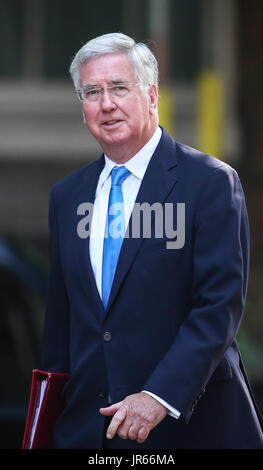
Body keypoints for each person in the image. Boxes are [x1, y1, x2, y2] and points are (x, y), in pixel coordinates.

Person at [41, 32, 263, 449]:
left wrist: (157, 396)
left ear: (152, 96)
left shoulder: (211, 183)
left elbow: (219, 307)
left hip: (187, 429)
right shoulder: (66, 197)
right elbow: (61, 329)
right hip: (89, 433)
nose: (106, 103)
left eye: (119, 88)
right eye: (92, 92)